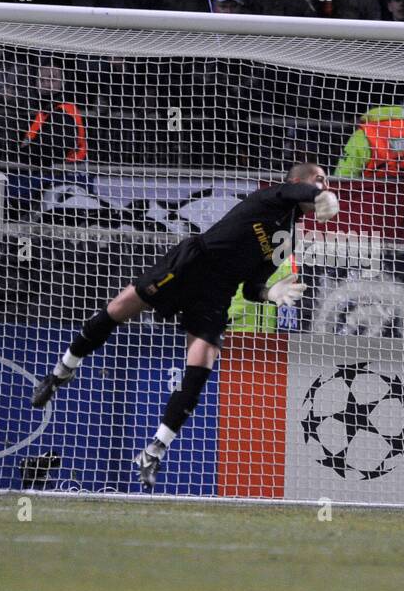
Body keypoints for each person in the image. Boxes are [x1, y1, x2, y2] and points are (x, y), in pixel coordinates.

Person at [31, 163, 340, 489]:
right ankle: (61, 372)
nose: (323, 183)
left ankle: (154, 450)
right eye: (318, 178)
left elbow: (252, 287)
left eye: (326, 180)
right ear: (297, 181)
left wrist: (269, 293)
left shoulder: (287, 239)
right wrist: (324, 194)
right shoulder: (274, 197)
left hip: (219, 292)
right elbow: (295, 192)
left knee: (201, 367)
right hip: (193, 263)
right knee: (118, 310)